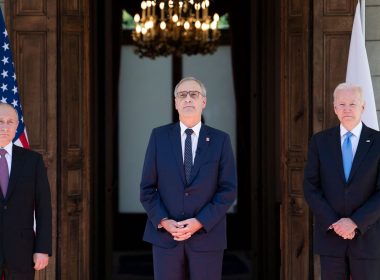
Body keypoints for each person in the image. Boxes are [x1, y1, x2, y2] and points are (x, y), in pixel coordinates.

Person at [140, 77, 237, 279]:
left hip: (207, 237)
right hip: (166, 238)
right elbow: (147, 189)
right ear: (175, 103)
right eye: (182, 95)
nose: (188, 99)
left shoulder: (220, 140)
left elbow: (228, 190)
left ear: (204, 101)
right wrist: (164, 221)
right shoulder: (159, 137)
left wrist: (200, 221)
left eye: (194, 94)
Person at [304, 83, 380, 279]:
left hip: (367, 238)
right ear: (334, 108)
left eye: (352, 104)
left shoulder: (378, 142)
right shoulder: (319, 141)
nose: (347, 109)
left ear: (363, 107)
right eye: (342, 104)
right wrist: (334, 222)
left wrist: (355, 222)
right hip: (331, 238)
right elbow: (311, 186)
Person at [0, 103, 52, 279]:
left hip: (22, 252)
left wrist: (42, 249)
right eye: (0, 121)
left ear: (17, 126)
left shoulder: (33, 161)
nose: (5, 127)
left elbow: (43, 207)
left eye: (10, 122)